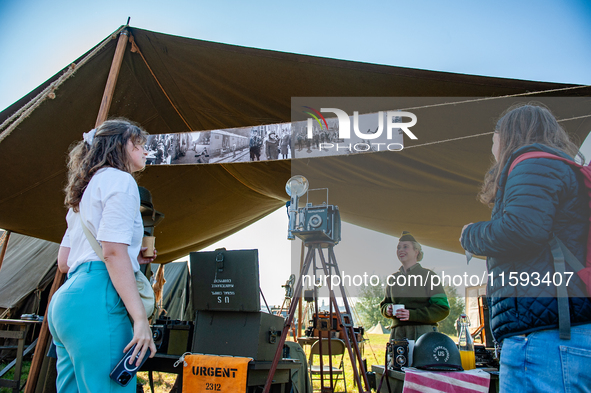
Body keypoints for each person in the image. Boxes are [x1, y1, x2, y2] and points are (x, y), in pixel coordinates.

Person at [460, 103, 591, 392]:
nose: (492, 145)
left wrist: (470, 234)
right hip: (559, 332)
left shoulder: (533, 163)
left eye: (494, 137)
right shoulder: (558, 166)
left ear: (507, 135)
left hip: (544, 337)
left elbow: (523, 229)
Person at [47, 119, 157, 392]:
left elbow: (64, 262)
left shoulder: (82, 192)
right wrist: (141, 320)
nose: (145, 152)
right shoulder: (121, 181)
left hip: (67, 300)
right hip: (100, 296)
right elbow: (111, 252)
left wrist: (131, 257)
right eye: (139, 145)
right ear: (120, 145)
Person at [380, 231, 450, 341]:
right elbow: (384, 304)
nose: (400, 250)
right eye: (398, 247)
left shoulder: (429, 276)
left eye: (405, 247)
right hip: (397, 334)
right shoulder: (393, 279)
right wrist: (387, 309)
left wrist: (412, 315)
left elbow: (442, 309)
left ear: (416, 252)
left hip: (423, 334)